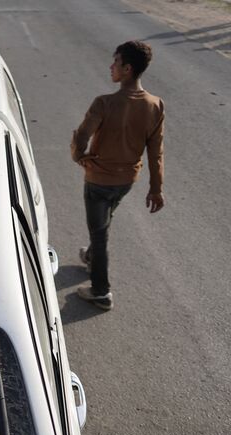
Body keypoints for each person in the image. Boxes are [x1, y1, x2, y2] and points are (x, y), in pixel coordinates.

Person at [71, 40, 165, 311]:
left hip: (99, 181)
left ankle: (101, 292)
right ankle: (91, 257)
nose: (111, 66)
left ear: (127, 68)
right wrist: (156, 188)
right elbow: (155, 152)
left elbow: (82, 135)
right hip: (126, 182)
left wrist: (78, 156)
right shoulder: (156, 105)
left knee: (100, 233)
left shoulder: (104, 103)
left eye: (115, 62)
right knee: (104, 221)